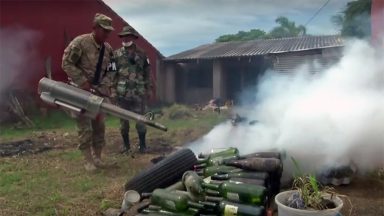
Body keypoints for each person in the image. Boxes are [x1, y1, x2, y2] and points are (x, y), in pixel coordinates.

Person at [62, 13, 115, 171]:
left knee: (99, 125)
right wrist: (82, 81)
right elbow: (66, 63)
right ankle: (88, 161)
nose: (106, 34)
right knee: (85, 127)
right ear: (95, 28)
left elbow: (111, 71)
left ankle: (98, 158)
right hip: (81, 92)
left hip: (99, 94)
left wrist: (105, 86)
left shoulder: (108, 49)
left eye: (108, 31)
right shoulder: (80, 42)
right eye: (103, 30)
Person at [113, 26, 152, 154]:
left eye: (128, 36)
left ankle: (143, 146)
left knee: (141, 121)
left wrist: (149, 88)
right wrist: (112, 91)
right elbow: (111, 73)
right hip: (122, 93)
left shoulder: (142, 53)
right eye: (123, 36)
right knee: (123, 123)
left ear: (133, 38)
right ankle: (126, 147)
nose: (125, 38)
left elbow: (147, 72)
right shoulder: (115, 54)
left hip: (138, 93)